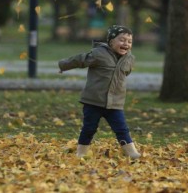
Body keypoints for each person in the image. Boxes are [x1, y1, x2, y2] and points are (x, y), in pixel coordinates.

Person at [58, 25, 141, 159]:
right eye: (122, 40)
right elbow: (80, 60)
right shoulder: (99, 54)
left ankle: (131, 152)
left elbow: (125, 74)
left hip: (115, 103)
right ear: (111, 42)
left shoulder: (129, 59)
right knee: (89, 128)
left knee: (121, 129)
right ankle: (81, 152)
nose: (126, 44)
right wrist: (63, 65)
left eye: (129, 41)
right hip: (93, 101)